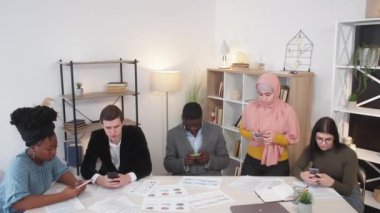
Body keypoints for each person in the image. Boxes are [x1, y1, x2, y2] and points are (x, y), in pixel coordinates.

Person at [0, 105, 86, 213]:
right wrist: (63, 196)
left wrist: (75, 183)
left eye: (56, 147)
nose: (54, 152)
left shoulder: (49, 158)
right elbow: (19, 203)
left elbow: (61, 172)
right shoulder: (18, 165)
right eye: (50, 149)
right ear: (33, 148)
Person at [292, 117, 364, 213]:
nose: (323, 143)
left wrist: (331, 183)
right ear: (314, 137)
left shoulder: (349, 154)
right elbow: (296, 167)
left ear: (335, 138)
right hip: (324, 189)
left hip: (348, 194)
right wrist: (302, 175)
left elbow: (347, 190)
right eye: (319, 139)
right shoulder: (311, 149)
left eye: (328, 139)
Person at [239, 73, 300, 176]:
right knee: (246, 190)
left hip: (278, 162)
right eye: (260, 94)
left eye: (268, 94)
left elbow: (293, 137)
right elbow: (242, 129)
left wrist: (275, 138)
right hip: (252, 160)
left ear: (276, 92)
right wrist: (251, 135)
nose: (263, 98)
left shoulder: (286, 110)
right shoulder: (250, 107)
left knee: (274, 191)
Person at [81, 105, 152, 188]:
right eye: (108, 127)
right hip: (108, 182)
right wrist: (100, 180)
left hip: (133, 181)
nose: (112, 132)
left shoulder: (135, 133)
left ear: (122, 123)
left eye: (116, 126)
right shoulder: (97, 136)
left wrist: (127, 178)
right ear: (101, 125)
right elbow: (85, 167)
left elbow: (146, 166)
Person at [164, 102, 229, 175]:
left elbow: (225, 161)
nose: (193, 129)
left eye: (197, 125)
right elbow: (168, 164)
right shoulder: (173, 134)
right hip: (184, 180)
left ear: (201, 118)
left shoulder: (216, 131)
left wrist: (209, 160)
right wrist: (183, 162)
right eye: (189, 125)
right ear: (183, 118)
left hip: (210, 180)